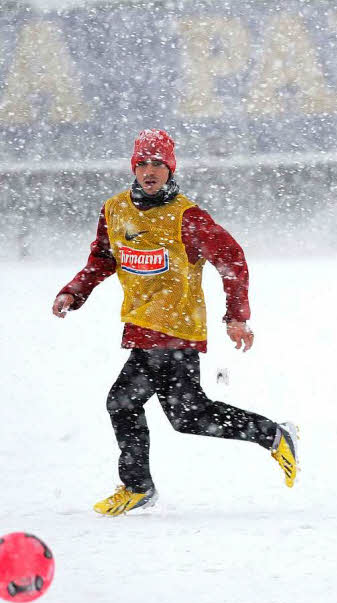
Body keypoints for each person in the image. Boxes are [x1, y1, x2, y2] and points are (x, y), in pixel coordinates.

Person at [52, 129, 298, 516]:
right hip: (141, 328)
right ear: (133, 167)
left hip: (176, 330)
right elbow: (103, 258)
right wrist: (74, 291)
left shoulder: (188, 217)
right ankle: (272, 434)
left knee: (123, 402)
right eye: (142, 164)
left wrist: (236, 317)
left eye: (158, 164)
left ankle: (138, 486)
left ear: (170, 168)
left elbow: (232, 260)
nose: (149, 171)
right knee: (189, 416)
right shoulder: (114, 209)